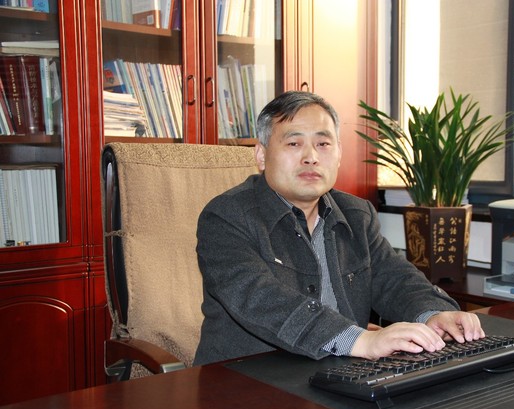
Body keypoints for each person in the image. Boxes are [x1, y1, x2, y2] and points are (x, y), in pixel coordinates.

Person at [193, 91, 484, 366]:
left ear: (339, 153)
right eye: (294, 144)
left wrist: (433, 314)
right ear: (261, 155)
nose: (311, 157)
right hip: (246, 379)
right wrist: (361, 340)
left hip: (338, 371)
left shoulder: (357, 214)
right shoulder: (226, 217)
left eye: (323, 144)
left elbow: (395, 279)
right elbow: (260, 298)